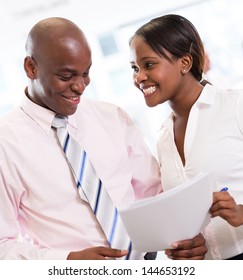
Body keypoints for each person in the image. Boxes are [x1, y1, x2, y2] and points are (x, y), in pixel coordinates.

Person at [0, 17, 207, 260]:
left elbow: (155, 194)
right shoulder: (6, 142)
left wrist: (185, 236)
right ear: (31, 68)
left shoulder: (112, 117)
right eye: (66, 76)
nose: (80, 86)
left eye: (85, 74)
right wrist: (68, 261)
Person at [129, 14, 243, 260]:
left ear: (185, 63)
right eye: (135, 68)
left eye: (148, 65)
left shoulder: (236, 106)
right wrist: (184, 247)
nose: (138, 77)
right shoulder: (163, 139)